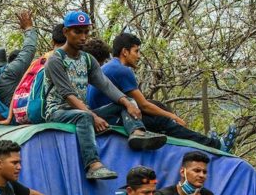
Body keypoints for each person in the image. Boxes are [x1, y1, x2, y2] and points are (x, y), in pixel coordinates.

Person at [43, 11, 164, 180]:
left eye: (86, 32)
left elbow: (105, 85)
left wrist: (127, 103)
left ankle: (137, 133)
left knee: (127, 100)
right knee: (84, 117)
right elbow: (67, 94)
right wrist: (92, 115)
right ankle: (93, 165)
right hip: (58, 111)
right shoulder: (56, 59)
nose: (83, 37)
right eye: (77, 31)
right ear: (65, 32)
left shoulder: (87, 59)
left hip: (82, 110)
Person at [87, 32, 237, 152]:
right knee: (162, 120)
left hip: (110, 113)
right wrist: (173, 117)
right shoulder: (121, 70)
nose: (139, 56)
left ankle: (205, 140)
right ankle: (215, 145)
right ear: (125, 52)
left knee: (157, 105)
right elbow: (143, 105)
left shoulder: (110, 67)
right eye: (136, 51)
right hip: (110, 119)